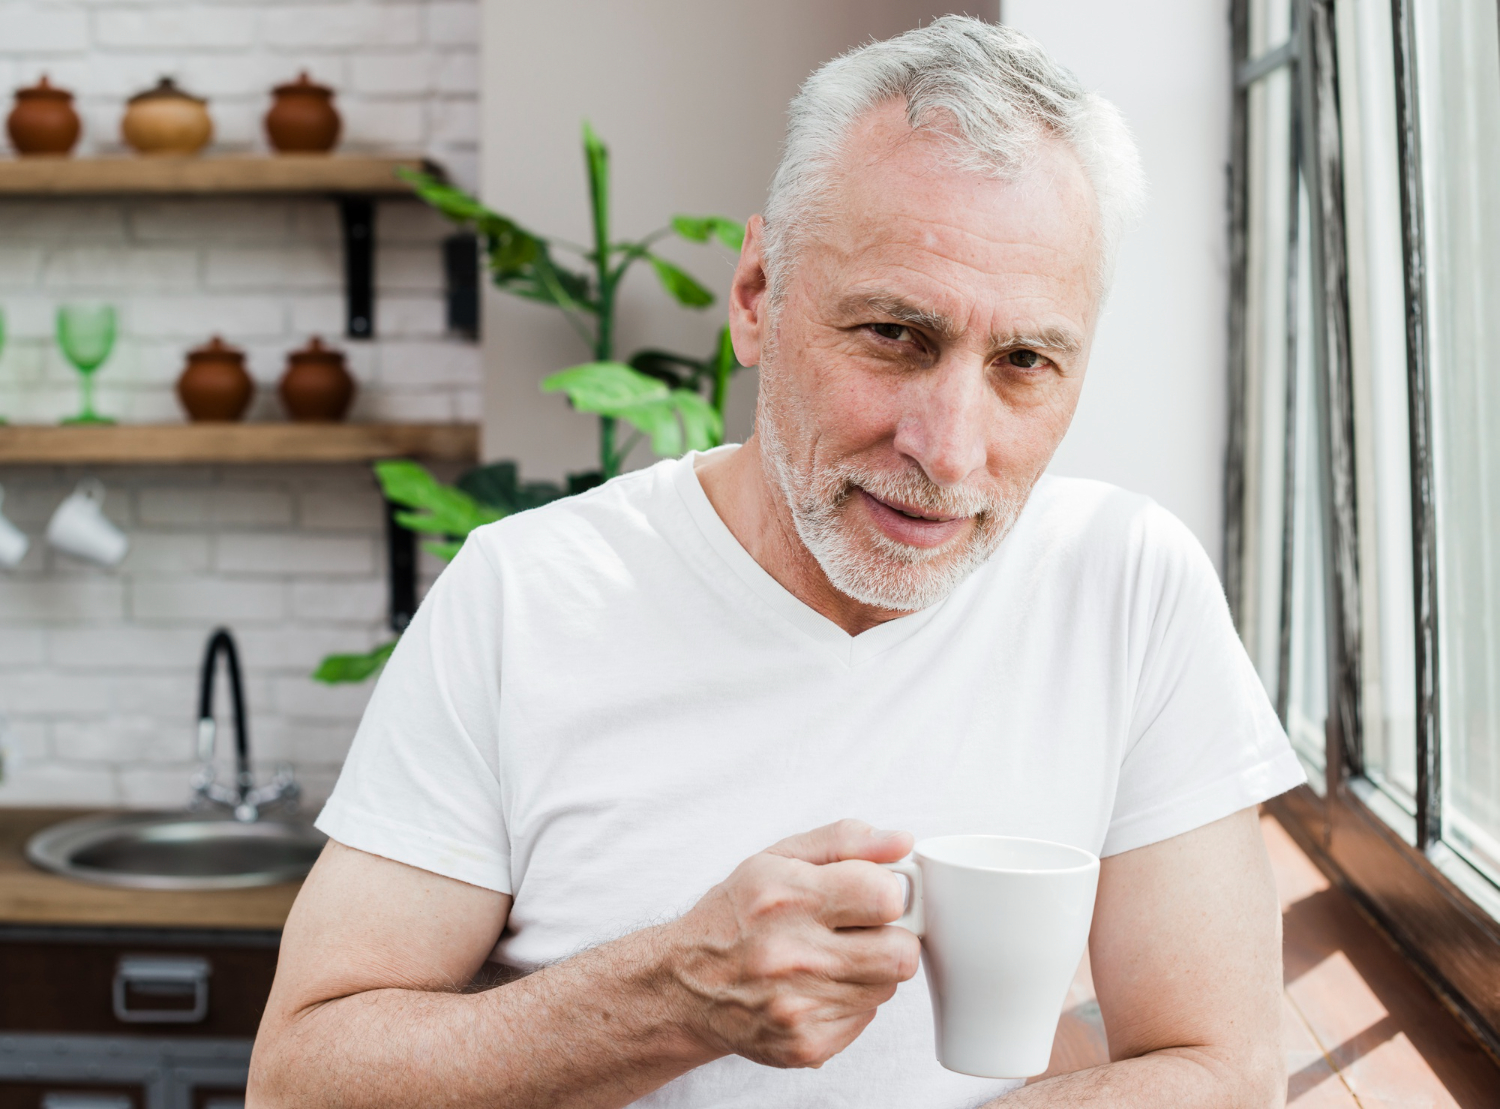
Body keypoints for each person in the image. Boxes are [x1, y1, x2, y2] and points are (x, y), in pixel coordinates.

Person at [248, 16, 1304, 1109]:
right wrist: (673, 994)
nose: (949, 448)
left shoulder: (1129, 585)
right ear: (757, 297)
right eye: (896, 333)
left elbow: (1223, 1068)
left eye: (1025, 360)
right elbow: (297, 1082)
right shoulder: (521, 595)